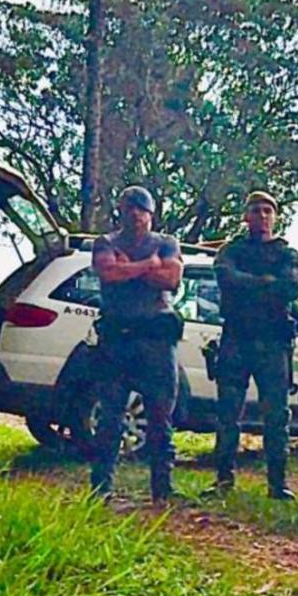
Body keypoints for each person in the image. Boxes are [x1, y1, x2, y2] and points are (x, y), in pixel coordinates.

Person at [89, 186, 184, 502]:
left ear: (151, 213)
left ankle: (163, 489)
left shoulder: (166, 243)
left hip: (156, 340)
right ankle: (101, 488)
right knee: (110, 417)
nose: (135, 214)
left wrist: (129, 267)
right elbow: (108, 272)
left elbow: (171, 279)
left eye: (141, 209)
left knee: (160, 417)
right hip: (116, 339)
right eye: (129, 207)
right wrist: (147, 266)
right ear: (120, 210)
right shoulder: (106, 242)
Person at [211, 191, 298, 500]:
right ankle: (223, 479)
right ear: (246, 216)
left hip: (274, 340)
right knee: (227, 413)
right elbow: (226, 277)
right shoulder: (232, 250)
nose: (262, 216)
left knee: (276, 415)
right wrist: (266, 283)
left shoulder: (287, 254)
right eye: (256, 210)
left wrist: (249, 284)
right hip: (237, 337)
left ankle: (277, 484)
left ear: (275, 216)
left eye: (268, 210)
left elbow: (291, 287)